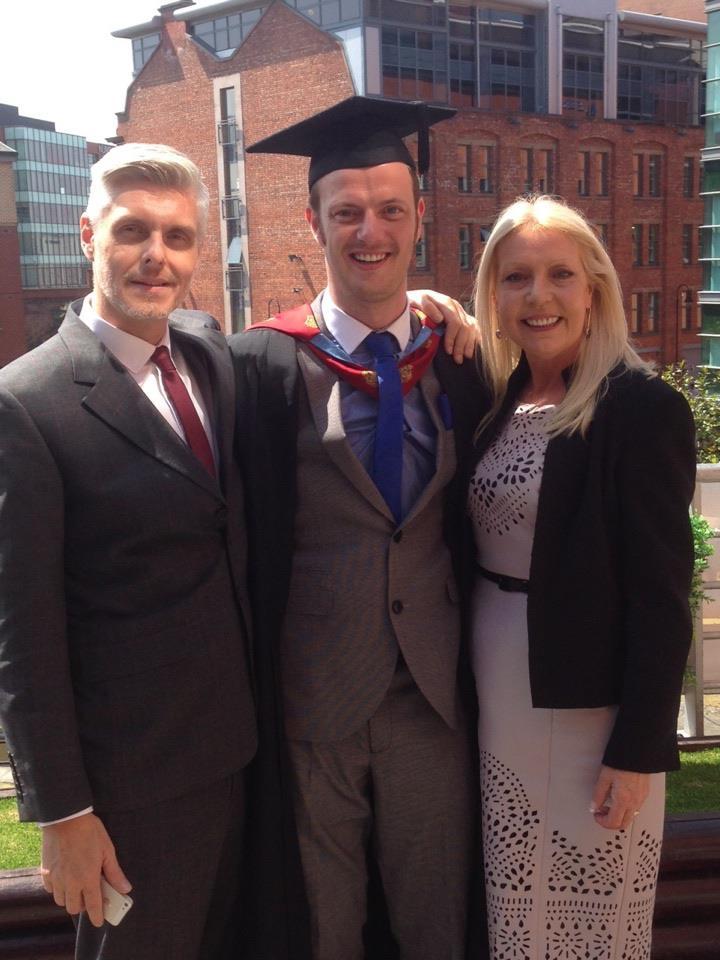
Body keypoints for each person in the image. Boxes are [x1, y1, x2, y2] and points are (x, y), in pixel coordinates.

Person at [231, 96, 488, 960]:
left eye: (389, 210)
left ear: (420, 218)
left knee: (434, 919)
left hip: (434, 698)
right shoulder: (256, 363)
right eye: (346, 212)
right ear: (314, 219)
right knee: (323, 929)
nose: (368, 231)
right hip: (313, 700)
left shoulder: (460, 361)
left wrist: (437, 307)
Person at [0, 143, 257, 960]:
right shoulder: (27, 403)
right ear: (87, 235)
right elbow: (22, 633)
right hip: (133, 793)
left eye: (178, 237)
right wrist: (63, 814)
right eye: (134, 231)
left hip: (245, 757)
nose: (158, 256)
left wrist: (430, 306)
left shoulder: (209, 351)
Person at [466, 195, 695, 959]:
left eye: (560, 274)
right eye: (516, 277)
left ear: (594, 288)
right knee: (513, 911)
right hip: (499, 696)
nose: (539, 296)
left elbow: (663, 599)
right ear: (492, 298)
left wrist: (637, 750)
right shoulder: (499, 402)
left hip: (593, 712)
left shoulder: (639, 408)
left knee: (587, 920)